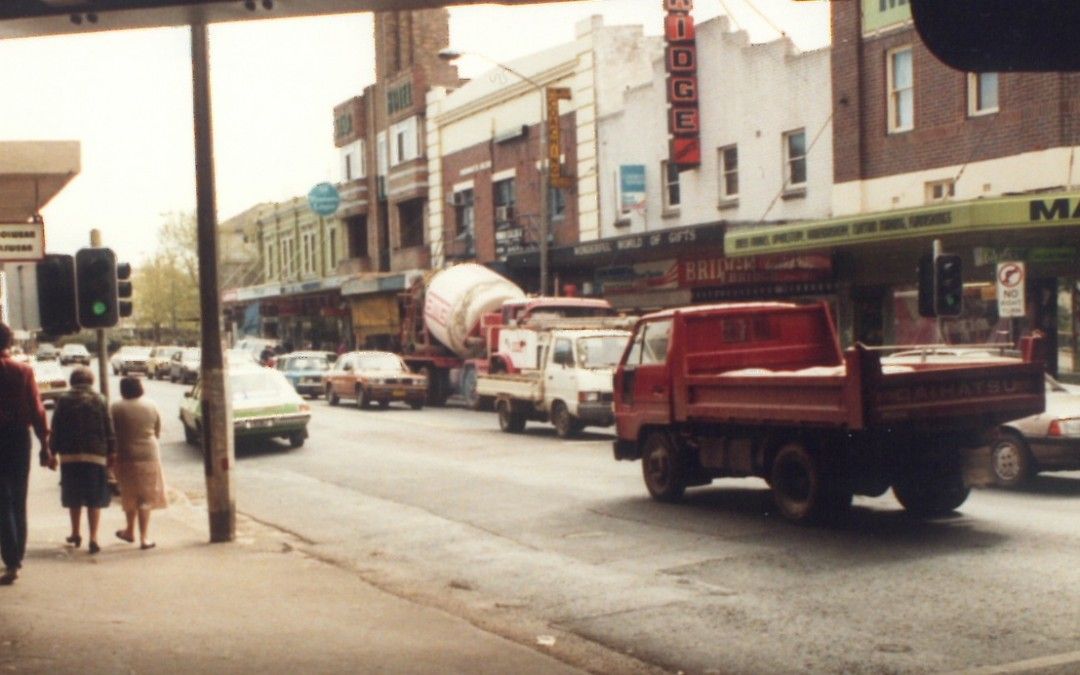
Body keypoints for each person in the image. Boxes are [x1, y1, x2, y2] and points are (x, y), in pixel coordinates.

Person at [0, 322, 52, 585]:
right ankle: (16, 559)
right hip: (19, 438)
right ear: (8, 343)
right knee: (18, 499)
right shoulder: (23, 371)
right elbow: (37, 408)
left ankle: (10, 559)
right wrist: (45, 444)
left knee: (2, 501)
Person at [50, 366, 115, 555]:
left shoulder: (63, 400)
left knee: (74, 496)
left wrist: (51, 452)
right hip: (95, 455)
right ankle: (93, 537)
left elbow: (56, 427)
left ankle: (75, 533)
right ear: (91, 381)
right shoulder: (100, 399)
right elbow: (108, 427)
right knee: (94, 497)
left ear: (72, 381)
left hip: (69, 456)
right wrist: (112, 452)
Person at [110, 377, 167, 550]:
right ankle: (144, 537)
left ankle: (129, 530)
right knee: (146, 496)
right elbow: (157, 430)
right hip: (149, 453)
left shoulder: (116, 407)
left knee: (129, 494)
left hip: (125, 454)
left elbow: (112, 432)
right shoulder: (151, 405)